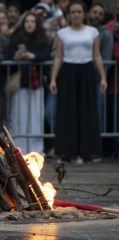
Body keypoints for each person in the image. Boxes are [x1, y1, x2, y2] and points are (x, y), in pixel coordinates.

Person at [49, 0, 107, 164]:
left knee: (88, 111)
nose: (75, 15)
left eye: (79, 11)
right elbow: (59, 56)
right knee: (67, 112)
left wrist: (102, 77)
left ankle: (87, 152)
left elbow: (97, 55)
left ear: (84, 14)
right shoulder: (63, 33)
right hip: (68, 71)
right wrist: (53, 78)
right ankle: (67, 152)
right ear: (69, 15)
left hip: (87, 71)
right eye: (72, 12)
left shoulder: (93, 32)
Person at [7, 13, 51, 154]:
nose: (29, 24)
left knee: (35, 116)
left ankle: (36, 149)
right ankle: (18, 148)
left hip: (36, 83)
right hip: (20, 84)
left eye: (33, 21)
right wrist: (16, 57)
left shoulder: (42, 40)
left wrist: (32, 56)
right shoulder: (16, 39)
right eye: (27, 21)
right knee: (19, 115)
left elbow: (46, 56)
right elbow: (7, 56)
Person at [88, 2, 114, 133]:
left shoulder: (106, 35)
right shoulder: (83, 31)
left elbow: (106, 61)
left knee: (97, 113)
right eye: (95, 12)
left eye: (100, 14)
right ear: (89, 13)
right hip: (80, 78)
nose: (97, 16)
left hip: (97, 80)